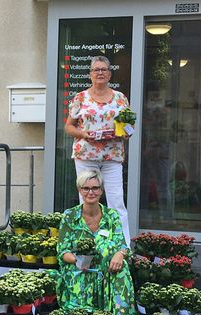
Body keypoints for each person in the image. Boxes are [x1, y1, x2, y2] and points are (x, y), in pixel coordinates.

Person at [56, 170, 136, 315]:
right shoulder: (70, 216)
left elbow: (123, 246)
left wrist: (119, 254)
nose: (90, 192)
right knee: (78, 275)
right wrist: (76, 260)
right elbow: (62, 251)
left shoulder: (112, 216)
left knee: (121, 270)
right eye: (86, 188)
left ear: (101, 191)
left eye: (95, 188)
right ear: (79, 190)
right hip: (79, 268)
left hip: (106, 270)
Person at [65, 55, 133, 246]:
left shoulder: (120, 98)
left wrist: (124, 133)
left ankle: (123, 247)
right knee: (86, 200)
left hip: (112, 156)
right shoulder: (80, 98)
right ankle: (86, 246)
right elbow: (69, 127)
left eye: (104, 69)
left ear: (110, 74)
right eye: (96, 70)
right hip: (86, 156)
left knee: (116, 201)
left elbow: (129, 128)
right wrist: (84, 134)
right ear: (90, 74)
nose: (100, 73)